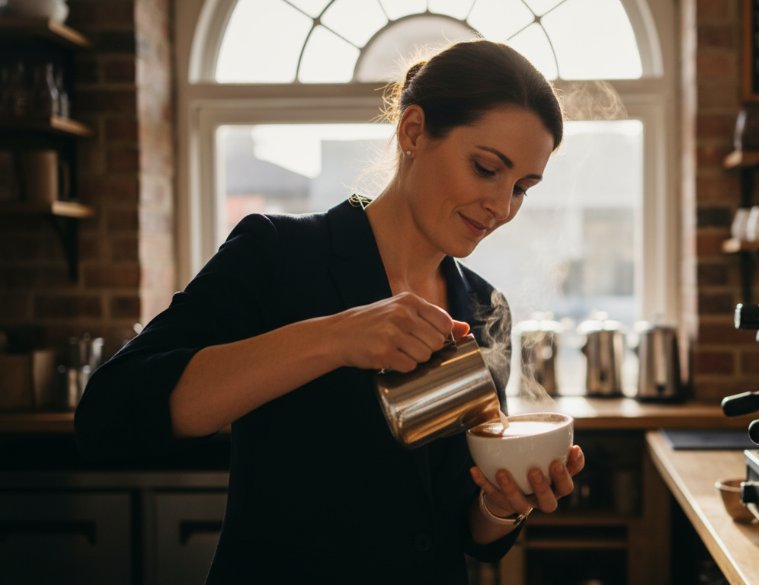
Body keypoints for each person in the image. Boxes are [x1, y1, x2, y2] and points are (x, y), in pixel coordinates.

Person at [74, 39, 586, 583]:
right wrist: (336, 338)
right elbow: (110, 416)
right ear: (413, 131)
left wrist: (505, 503)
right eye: (486, 169)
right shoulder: (276, 253)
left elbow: (465, 529)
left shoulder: (484, 307)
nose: (502, 207)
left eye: (522, 189)